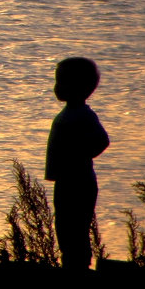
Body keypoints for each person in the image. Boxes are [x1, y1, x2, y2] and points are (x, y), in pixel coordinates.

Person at [44, 57, 110, 271]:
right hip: (65, 180)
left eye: (61, 82)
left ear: (78, 86)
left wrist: (78, 157)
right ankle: (71, 264)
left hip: (78, 180)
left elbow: (101, 140)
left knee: (76, 227)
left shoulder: (82, 115)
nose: (57, 87)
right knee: (64, 226)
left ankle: (78, 267)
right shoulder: (69, 114)